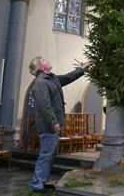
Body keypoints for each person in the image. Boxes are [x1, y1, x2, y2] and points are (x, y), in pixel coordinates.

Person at [29, 56, 92, 193]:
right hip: (48, 125)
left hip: (53, 124)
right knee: (46, 155)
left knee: (49, 155)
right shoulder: (40, 82)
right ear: (41, 67)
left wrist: (83, 68)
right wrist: (54, 122)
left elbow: (69, 77)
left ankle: (42, 182)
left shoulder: (52, 78)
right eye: (45, 60)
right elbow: (44, 106)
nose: (48, 60)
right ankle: (37, 184)